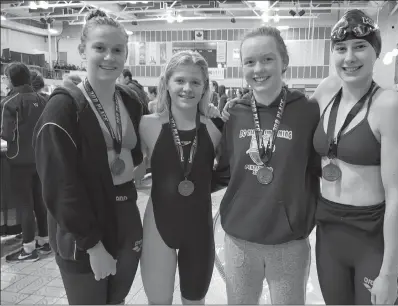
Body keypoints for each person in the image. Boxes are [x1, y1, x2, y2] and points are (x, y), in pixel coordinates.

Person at [33, 9, 144, 305]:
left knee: (117, 301)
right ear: (82, 51)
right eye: (100, 48)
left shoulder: (131, 102)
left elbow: (141, 150)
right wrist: (93, 246)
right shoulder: (62, 110)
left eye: (117, 50)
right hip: (84, 228)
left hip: (126, 216)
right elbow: (59, 186)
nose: (110, 57)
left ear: (126, 55)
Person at [311, 9, 398, 305]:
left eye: (360, 47)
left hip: (372, 237)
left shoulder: (389, 105)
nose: (349, 57)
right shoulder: (327, 90)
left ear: (376, 52)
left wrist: (389, 273)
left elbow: (397, 196)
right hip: (329, 232)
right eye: (341, 49)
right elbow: (289, 120)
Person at [218, 26, 320, 304]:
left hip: (288, 241)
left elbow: (316, 169)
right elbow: (225, 169)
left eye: (267, 59)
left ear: (284, 61)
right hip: (240, 238)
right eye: (249, 62)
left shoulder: (308, 110)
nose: (258, 69)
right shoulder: (234, 113)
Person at [139, 50, 222, 305]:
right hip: (158, 228)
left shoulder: (215, 128)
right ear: (167, 83)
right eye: (180, 81)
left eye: (195, 82)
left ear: (205, 87)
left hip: (199, 231)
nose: (187, 88)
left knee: (195, 301)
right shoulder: (147, 125)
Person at [1, 62, 49, 262]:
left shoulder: (10, 103)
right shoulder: (43, 99)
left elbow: (7, 134)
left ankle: (28, 249)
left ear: (11, 79)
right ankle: (44, 241)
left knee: (24, 205)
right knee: (40, 201)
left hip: (18, 160)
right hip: (40, 157)